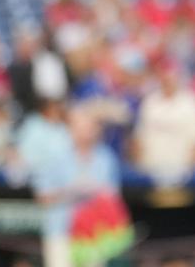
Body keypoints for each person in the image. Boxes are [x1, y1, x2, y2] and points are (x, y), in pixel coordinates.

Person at [30, 109, 125, 267]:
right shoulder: (55, 156)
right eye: (80, 127)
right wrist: (70, 193)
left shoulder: (106, 158)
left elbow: (114, 197)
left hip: (93, 235)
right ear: (71, 128)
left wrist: (96, 192)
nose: (85, 133)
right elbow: (42, 197)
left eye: (90, 127)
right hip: (61, 231)